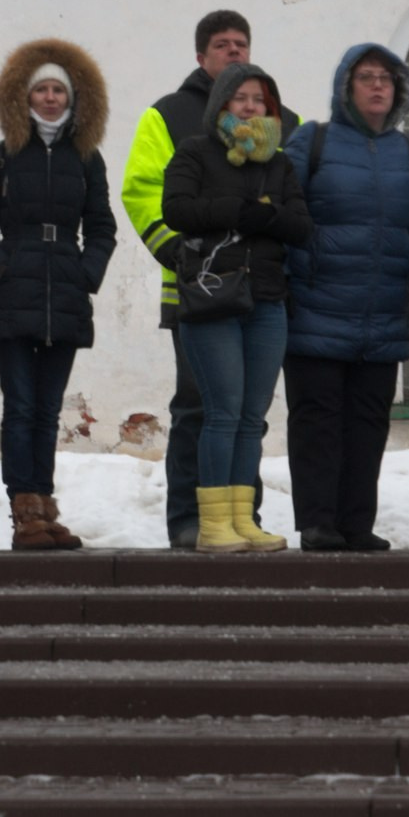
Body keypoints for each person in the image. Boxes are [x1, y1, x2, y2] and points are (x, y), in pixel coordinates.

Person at [122, 11, 289, 549]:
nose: (234, 53)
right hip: (197, 292)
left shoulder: (278, 117)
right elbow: (142, 190)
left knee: (247, 413)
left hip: (260, 291)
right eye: (222, 45)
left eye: (242, 43)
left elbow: (298, 195)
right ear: (201, 58)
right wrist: (178, 254)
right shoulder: (168, 115)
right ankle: (188, 520)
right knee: (198, 408)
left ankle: (245, 516)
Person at [284, 45, 409, 551]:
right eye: (366, 78)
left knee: (369, 422)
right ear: (345, 87)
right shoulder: (313, 141)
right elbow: (285, 213)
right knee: (317, 420)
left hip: (383, 311)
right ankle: (317, 520)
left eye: (386, 79)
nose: (378, 86)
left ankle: (356, 521)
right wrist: (296, 275)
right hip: (318, 305)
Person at [0, 40, 116, 551]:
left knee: (48, 409)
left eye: (58, 90)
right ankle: (23, 508)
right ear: (22, 97)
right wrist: (0, 268)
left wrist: (85, 272)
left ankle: (45, 507)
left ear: (73, 99)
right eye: (41, 89)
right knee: (22, 405)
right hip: (14, 292)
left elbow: (101, 228)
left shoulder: (87, 160)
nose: (50, 98)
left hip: (65, 293)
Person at [163, 64, 312, 553]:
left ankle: (243, 519)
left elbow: (299, 223)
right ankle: (213, 524)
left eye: (260, 100)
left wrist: (264, 215)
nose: (250, 107)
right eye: (241, 98)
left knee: (253, 417)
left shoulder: (279, 162)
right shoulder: (195, 151)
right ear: (222, 104)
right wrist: (238, 210)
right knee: (222, 412)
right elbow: (177, 210)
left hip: (267, 299)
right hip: (214, 297)